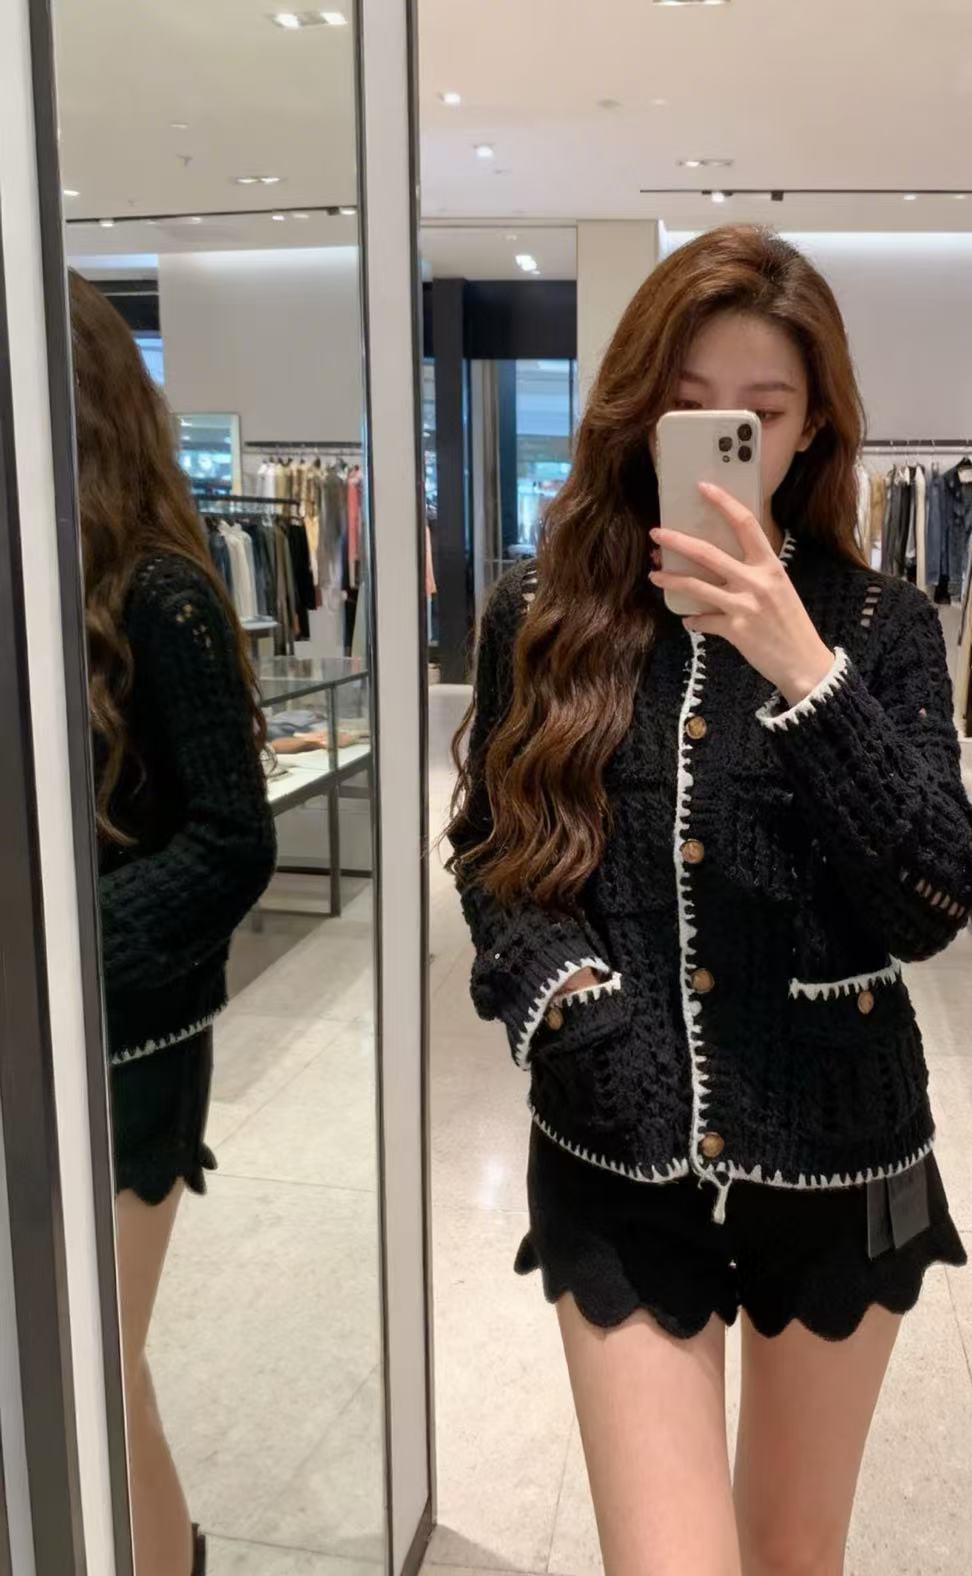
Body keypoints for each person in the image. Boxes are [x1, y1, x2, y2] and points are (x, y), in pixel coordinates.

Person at [443, 226, 972, 1576]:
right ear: (638, 411)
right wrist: (576, 1016)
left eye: (762, 414)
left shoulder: (880, 627)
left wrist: (801, 665)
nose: (720, 439)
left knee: (795, 1557)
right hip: (617, 1142)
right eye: (688, 406)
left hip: (836, 1148)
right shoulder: (542, 612)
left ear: (812, 432)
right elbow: (497, 856)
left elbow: (934, 895)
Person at [71, 273, 277, 1576]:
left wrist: (66, 950)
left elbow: (232, 840)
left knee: (97, 1359)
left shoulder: (163, 592)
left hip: (131, 1041)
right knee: (81, 1362)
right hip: (43, 1036)